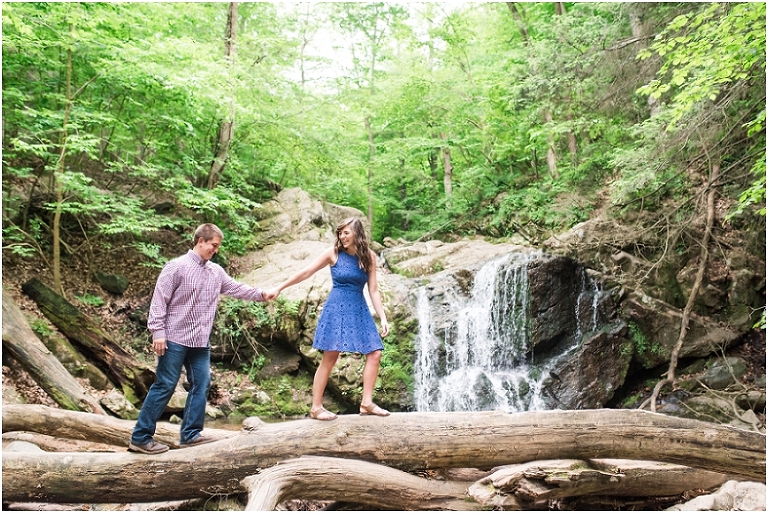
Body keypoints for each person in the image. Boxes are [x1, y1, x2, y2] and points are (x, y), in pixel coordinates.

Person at [129, 223, 268, 454]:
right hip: (174, 338)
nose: (216, 250)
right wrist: (158, 332)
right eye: (213, 245)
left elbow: (237, 288)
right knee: (165, 385)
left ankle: (191, 435)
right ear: (201, 241)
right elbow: (159, 300)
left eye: (218, 247)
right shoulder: (176, 267)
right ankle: (140, 438)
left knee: (202, 384)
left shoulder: (216, 272)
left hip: (200, 342)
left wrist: (262, 294)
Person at [264, 217, 390, 420]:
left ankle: (366, 403)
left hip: (358, 308)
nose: (342, 236)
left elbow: (373, 289)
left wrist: (382, 317)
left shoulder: (370, 257)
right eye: (340, 233)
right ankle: (316, 407)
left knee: (375, 352)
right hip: (337, 308)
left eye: (346, 232)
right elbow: (306, 272)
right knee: (330, 357)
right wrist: (279, 288)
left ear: (357, 233)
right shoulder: (333, 253)